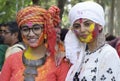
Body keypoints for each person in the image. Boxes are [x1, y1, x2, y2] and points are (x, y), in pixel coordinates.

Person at [0, 5, 70, 81]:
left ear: (45, 29)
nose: (31, 34)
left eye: (36, 28)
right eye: (25, 29)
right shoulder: (12, 59)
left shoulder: (59, 61)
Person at [65, 1, 120, 81]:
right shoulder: (81, 55)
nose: (82, 30)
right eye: (77, 26)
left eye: (87, 24)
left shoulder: (108, 54)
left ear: (100, 26)